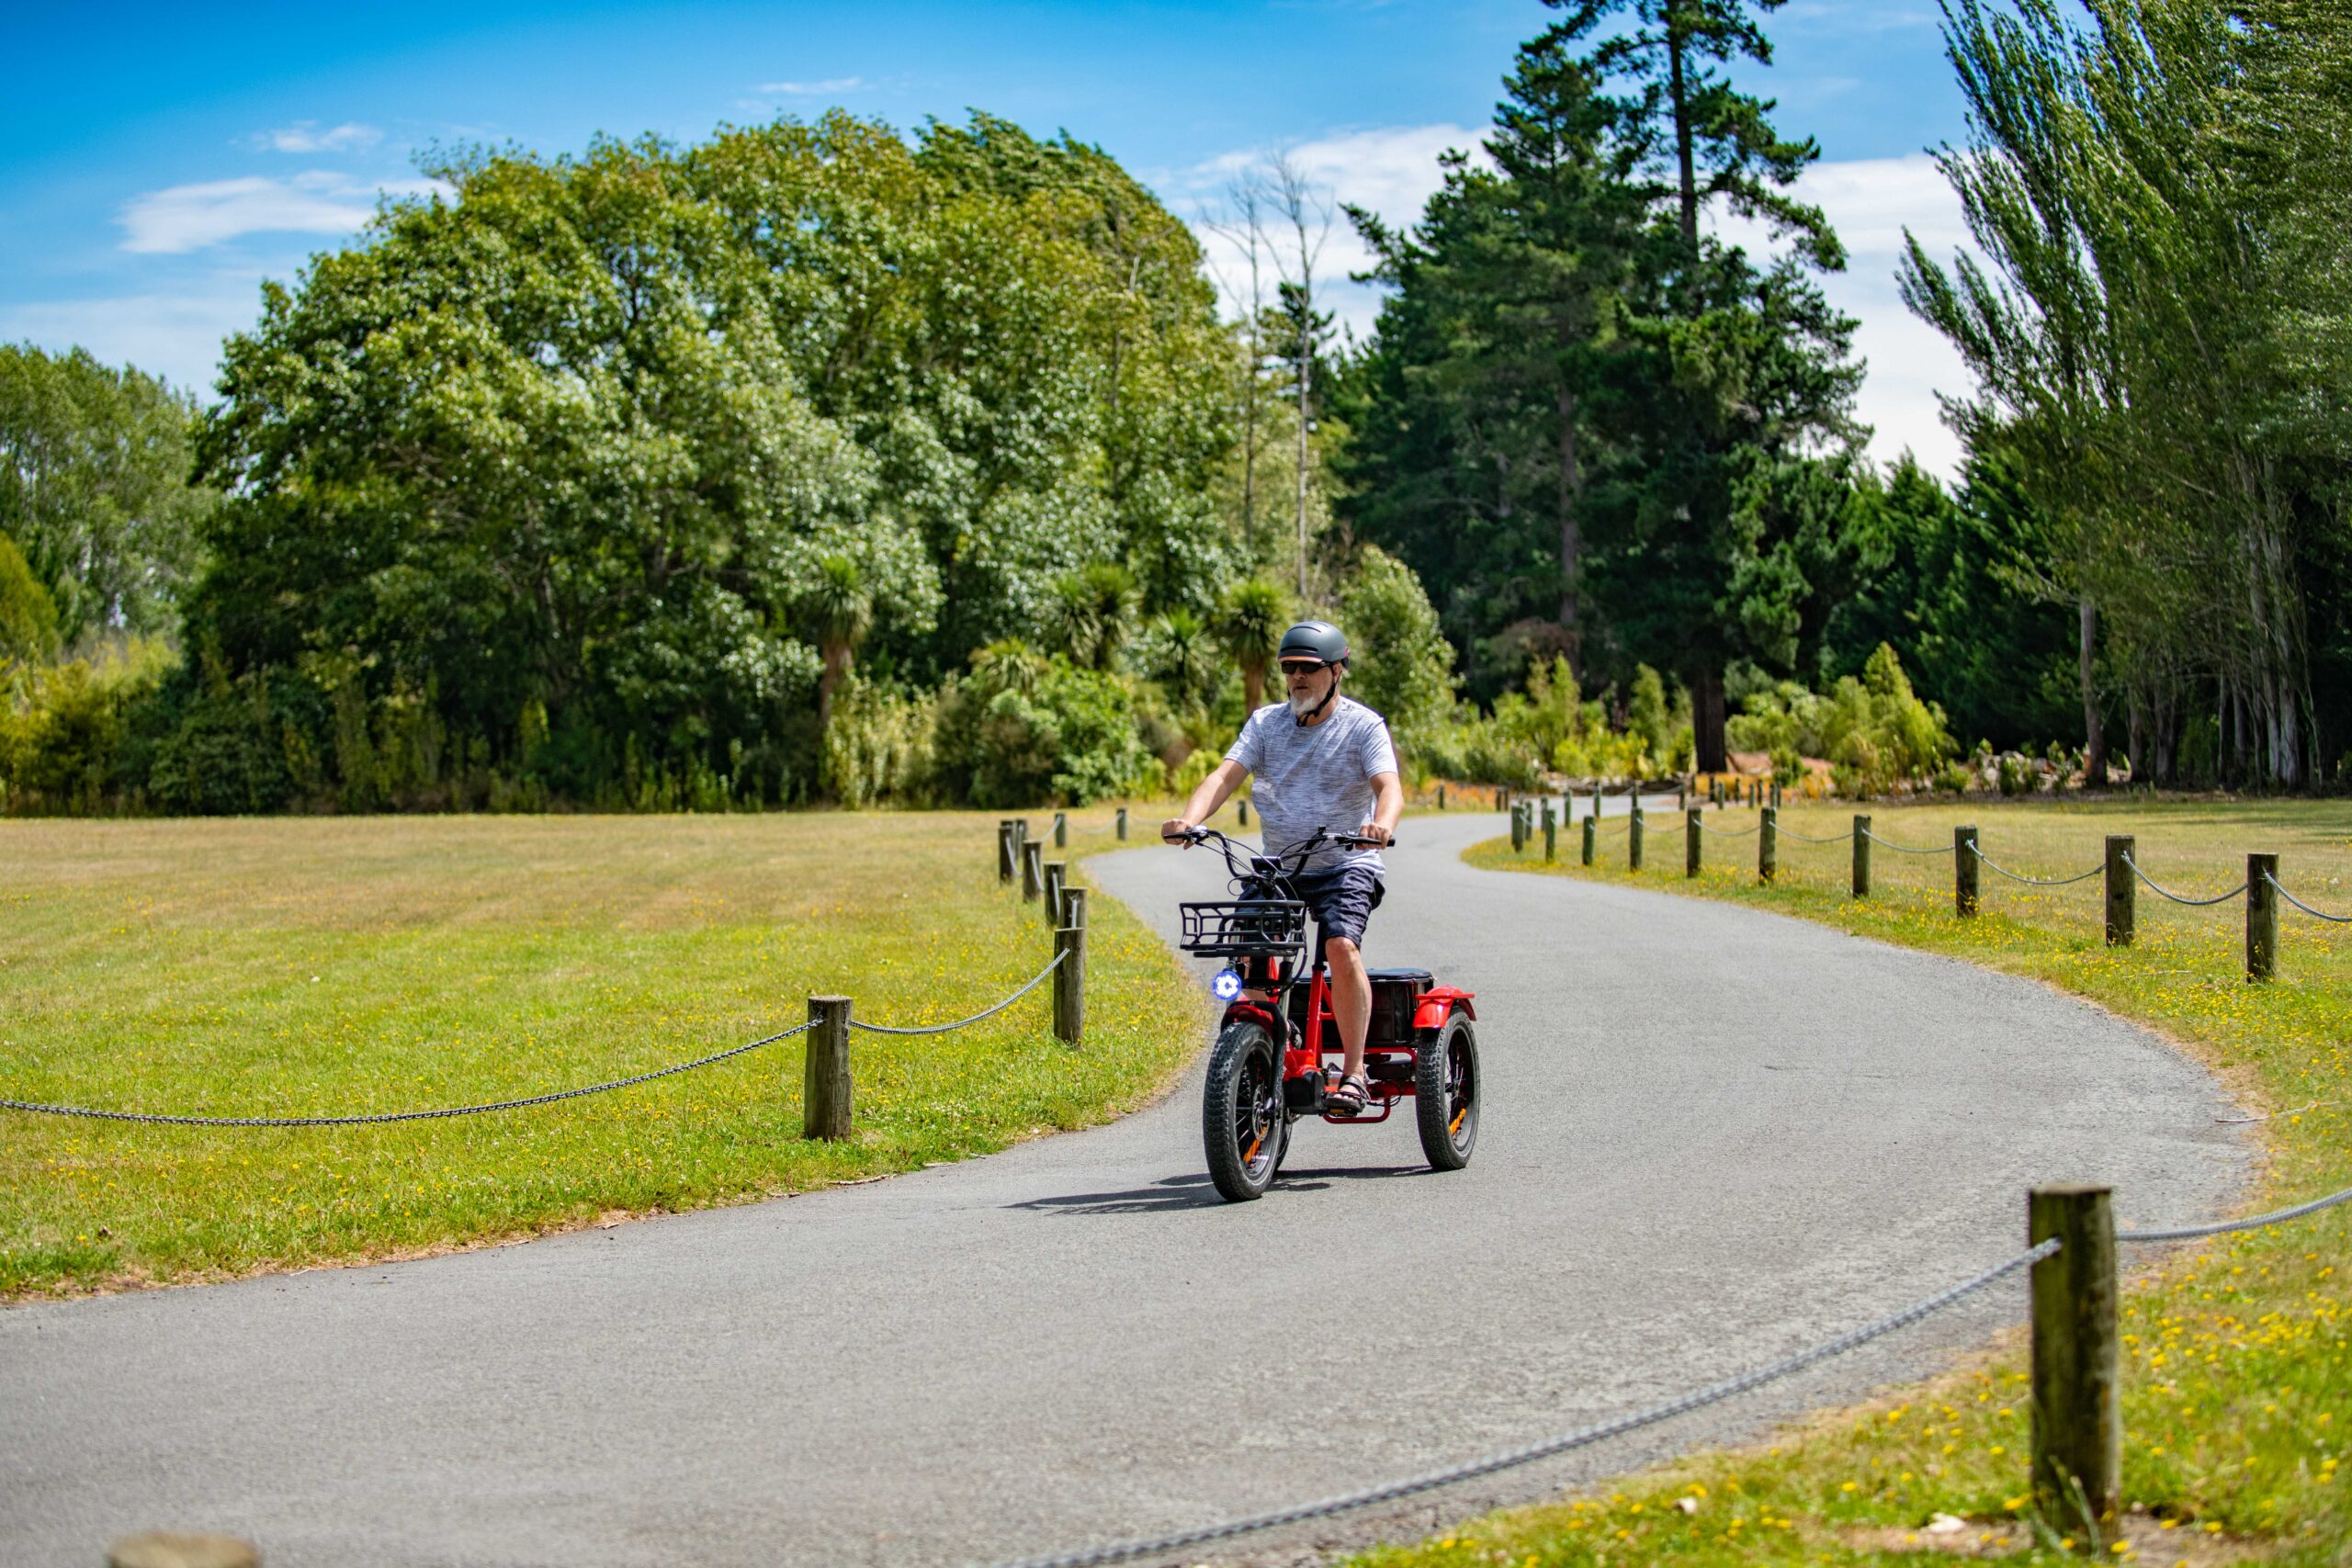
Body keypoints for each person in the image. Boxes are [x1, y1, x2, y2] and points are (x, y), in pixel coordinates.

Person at [1162, 619, 1403, 1116]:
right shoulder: (1265, 724)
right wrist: (1189, 819)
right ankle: (1268, 1031)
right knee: (1245, 954)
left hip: (1346, 863)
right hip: (1281, 867)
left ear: (1338, 671)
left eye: (1309, 669)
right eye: (1290, 668)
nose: (1297, 678)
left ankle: (1354, 1072)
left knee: (1340, 945)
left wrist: (1380, 824)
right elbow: (1223, 777)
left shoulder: (1363, 726)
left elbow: (1388, 787)